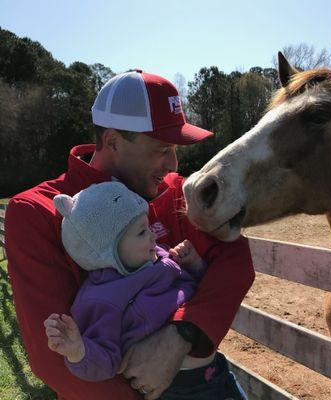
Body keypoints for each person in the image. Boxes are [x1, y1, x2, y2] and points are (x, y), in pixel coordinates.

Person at [5, 69, 255, 400]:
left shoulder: (175, 192)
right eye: (162, 148)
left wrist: (183, 332)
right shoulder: (37, 211)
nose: (173, 163)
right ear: (113, 141)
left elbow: (234, 259)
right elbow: (52, 358)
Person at [43, 181, 247, 399]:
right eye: (141, 232)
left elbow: (195, 289)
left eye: (148, 227)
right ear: (106, 250)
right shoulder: (101, 298)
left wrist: (194, 265)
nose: (153, 236)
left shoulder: (160, 256)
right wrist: (78, 351)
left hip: (214, 370)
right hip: (175, 389)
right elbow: (107, 360)